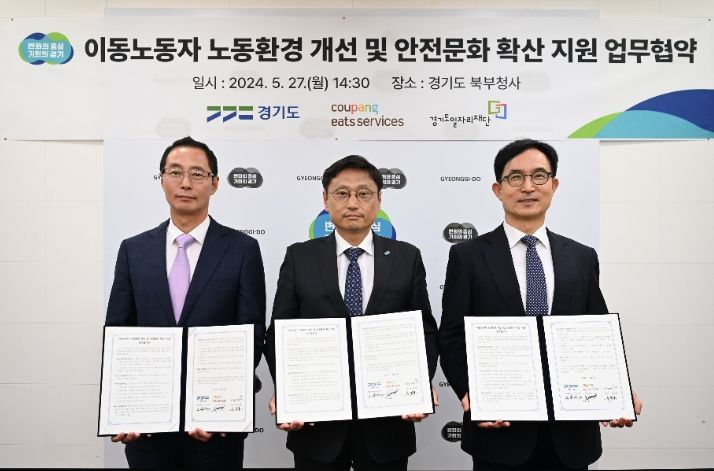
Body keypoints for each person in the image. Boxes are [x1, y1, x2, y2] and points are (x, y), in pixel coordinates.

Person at [438, 139, 643, 470]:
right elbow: (452, 335)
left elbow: (595, 334)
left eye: (539, 176)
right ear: (498, 189)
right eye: (515, 177)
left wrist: (617, 391)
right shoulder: (468, 256)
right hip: (500, 429)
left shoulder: (582, 256)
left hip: (571, 434)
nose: (528, 187)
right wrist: (470, 392)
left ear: (554, 185)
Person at [265, 155, 439, 471]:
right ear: (325, 200)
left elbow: (424, 330)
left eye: (363, 193)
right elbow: (279, 333)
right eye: (342, 193)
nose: (353, 203)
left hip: (387, 422)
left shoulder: (406, 257)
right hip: (317, 424)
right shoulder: (300, 257)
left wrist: (419, 386)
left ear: (379, 200)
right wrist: (289, 392)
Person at [105, 136, 266, 469]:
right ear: (162, 179)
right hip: (147, 426)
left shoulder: (242, 249)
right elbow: (119, 331)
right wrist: (122, 406)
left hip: (216, 426)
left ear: (214, 183)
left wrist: (223, 406)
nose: (186, 183)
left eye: (197, 174)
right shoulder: (133, 250)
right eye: (175, 172)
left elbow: (251, 334)